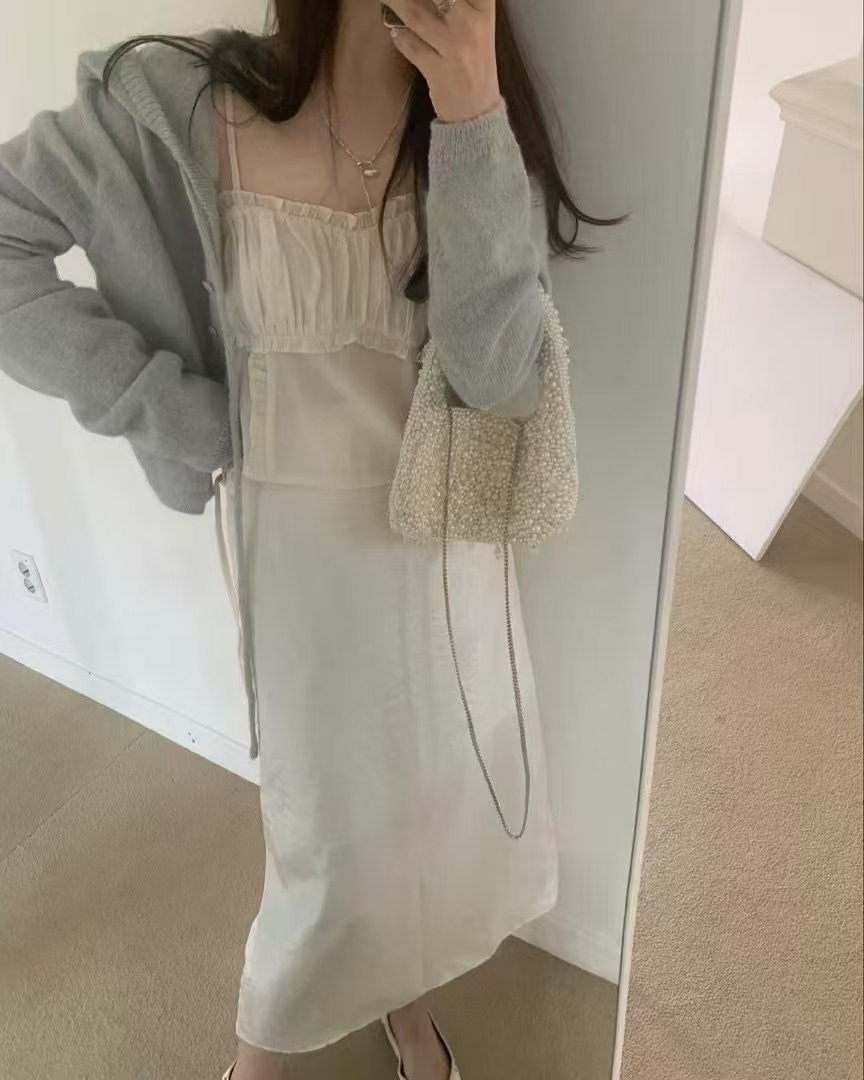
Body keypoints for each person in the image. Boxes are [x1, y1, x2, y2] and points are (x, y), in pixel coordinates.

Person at [0, 2, 609, 1077]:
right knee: (323, 832)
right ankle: (264, 1047)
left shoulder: (471, 120)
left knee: (433, 812)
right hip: (297, 558)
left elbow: (498, 380)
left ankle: (404, 1000)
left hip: (444, 546)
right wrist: (178, 413)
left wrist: (473, 115)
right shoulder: (180, 103)